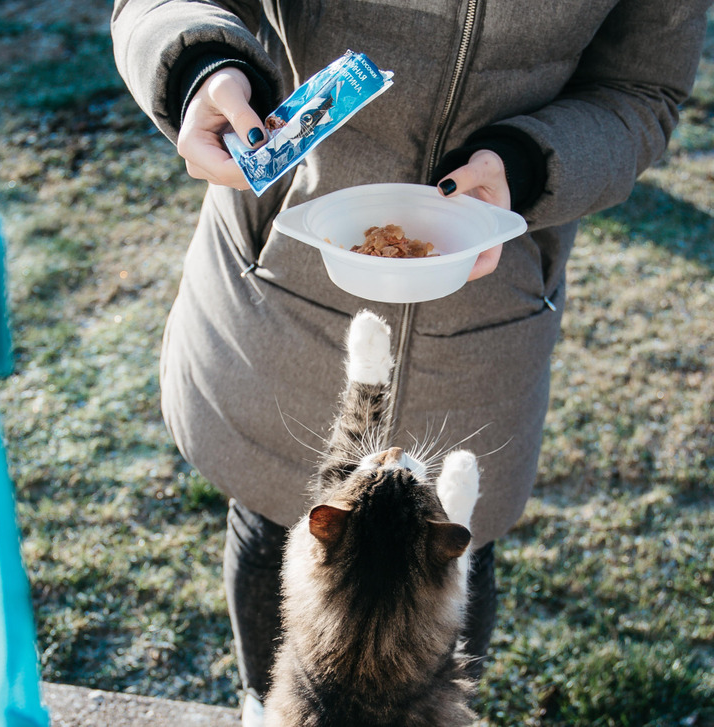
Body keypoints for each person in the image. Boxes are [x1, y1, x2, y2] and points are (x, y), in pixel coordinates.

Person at [111, 2, 710, 723]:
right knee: (272, 513)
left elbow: (641, 92)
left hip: (489, 313)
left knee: (454, 553)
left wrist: (526, 164)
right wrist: (200, 66)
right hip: (287, 277)